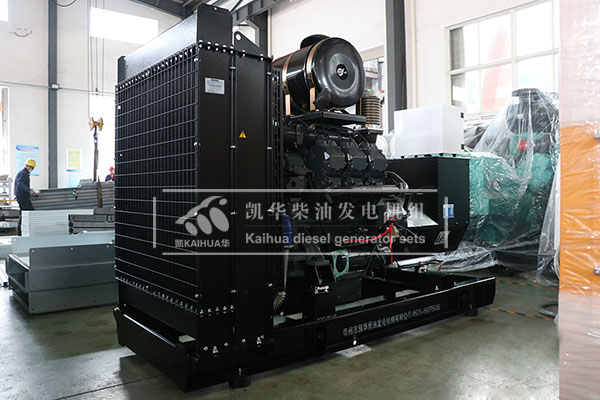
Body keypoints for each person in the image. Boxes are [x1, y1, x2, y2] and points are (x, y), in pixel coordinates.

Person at [14, 159, 39, 235]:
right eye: (32, 168)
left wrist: (29, 191)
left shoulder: (23, 172)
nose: (32, 170)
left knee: (26, 212)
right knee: (25, 213)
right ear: (29, 166)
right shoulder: (24, 173)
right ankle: (21, 231)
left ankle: (21, 231)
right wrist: (29, 190)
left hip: (22, 196)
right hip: (22, 197)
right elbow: (19, 184)